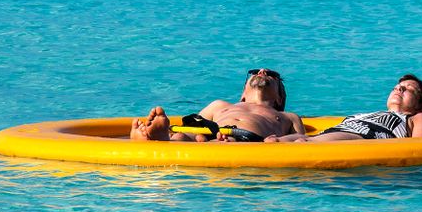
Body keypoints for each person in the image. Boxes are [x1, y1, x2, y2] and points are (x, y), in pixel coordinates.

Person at [130, 67, 306, 143]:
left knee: (222, 140)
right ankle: (161, 137)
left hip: (247, 139)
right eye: (254, 72)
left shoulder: (287, 117)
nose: (262, 72)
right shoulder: (220, 105)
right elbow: (191, 126)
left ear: (279, 98)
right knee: (186, 137)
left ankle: (161, 139)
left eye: (271, 74)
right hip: (209, 133)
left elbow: (301, 141)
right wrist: (180, 132)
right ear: (243, 94)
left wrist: (277, 140)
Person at [265, 74, 422, 142]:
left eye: (408, 89)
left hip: (361, 137)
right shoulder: (369, 113)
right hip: (330, 134)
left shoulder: (417, 118)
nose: (399, 89)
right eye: (397, 87)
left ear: (420, 104)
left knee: (300, 141)